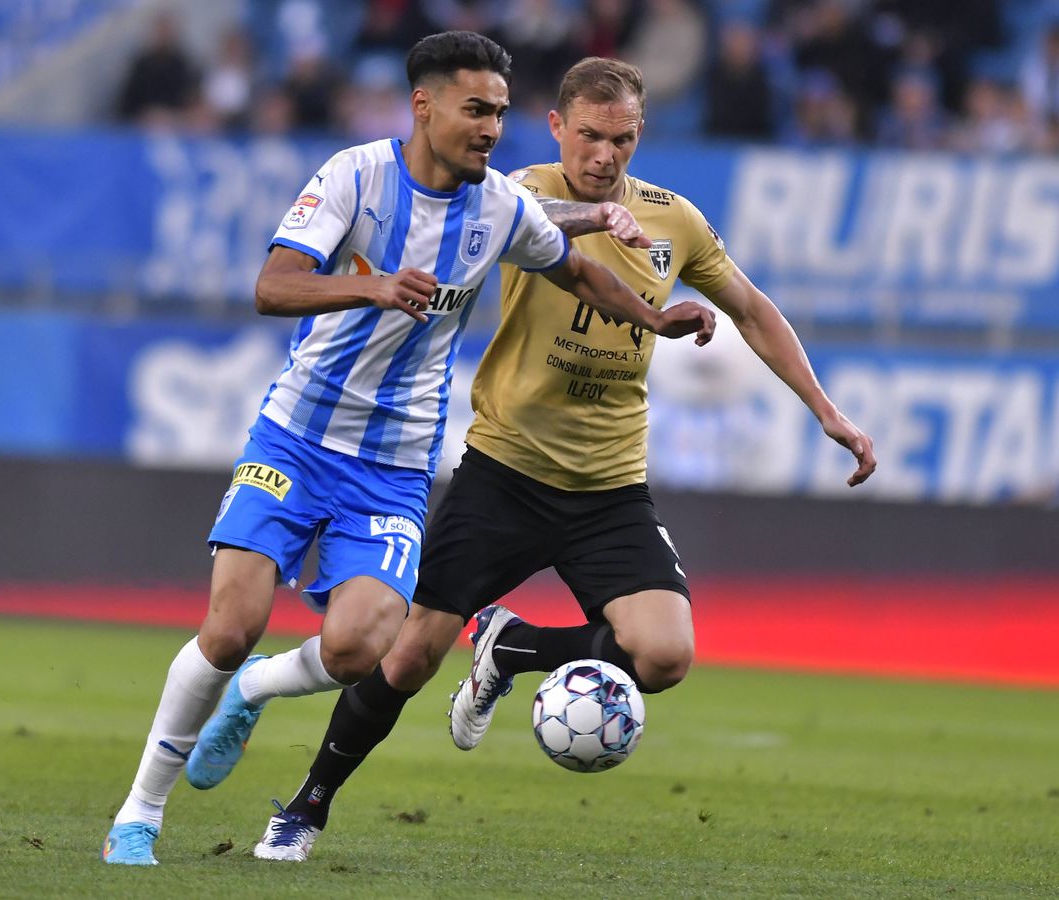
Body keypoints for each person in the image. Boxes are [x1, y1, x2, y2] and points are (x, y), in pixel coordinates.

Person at [201, 55, 877, 864]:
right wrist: (583, 220)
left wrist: (827, 411)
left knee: (665, 656)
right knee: (407, 656)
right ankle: (307, 808)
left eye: (622, 139)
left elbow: (754, 310)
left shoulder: (675, 222)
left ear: (639, 137)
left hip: (610, 487)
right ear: (557, 127)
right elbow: (529, 213)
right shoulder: (510, 192)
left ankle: (514, 648)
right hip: (505, 472)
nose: (605, 155)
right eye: (589, 135)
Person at [101, 33, 716, 867]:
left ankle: (253, 693)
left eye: (499, 112)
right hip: (298, 435)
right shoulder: (354, 177)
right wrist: (371, 284)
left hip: (393, 467)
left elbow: (576, 270)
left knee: (361, 650)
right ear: (424, 106)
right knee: (233, 622)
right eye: (476, 110)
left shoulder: (499, 206)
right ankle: (141, 813)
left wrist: (653, 318)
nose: (491, 128)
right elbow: (271, 285)